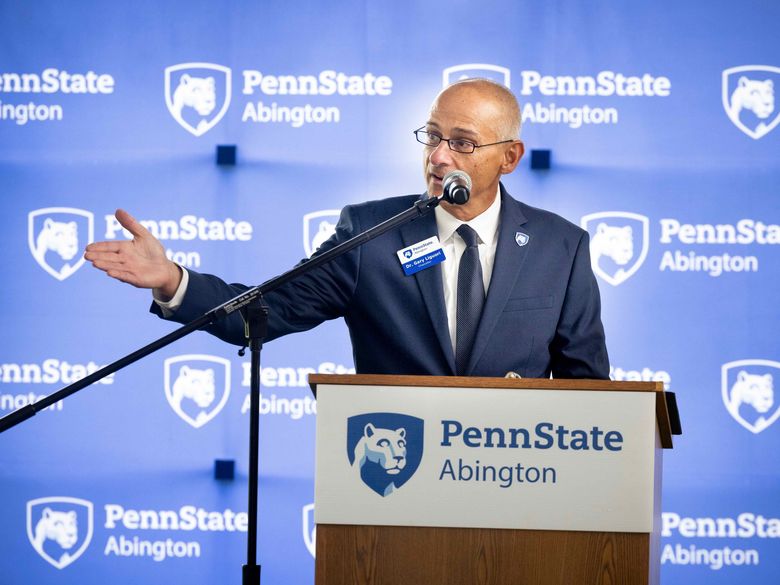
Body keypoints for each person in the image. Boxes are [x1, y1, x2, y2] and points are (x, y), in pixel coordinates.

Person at [85, 78, 609, 379]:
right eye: (432, 137)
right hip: (399, 486)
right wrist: (173, 281)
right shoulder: (372, 234)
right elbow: (266, 313)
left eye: (463, 142)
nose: (439, 155)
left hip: (519, 490)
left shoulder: (560, 247)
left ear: (509, 158)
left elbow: (587, 388)